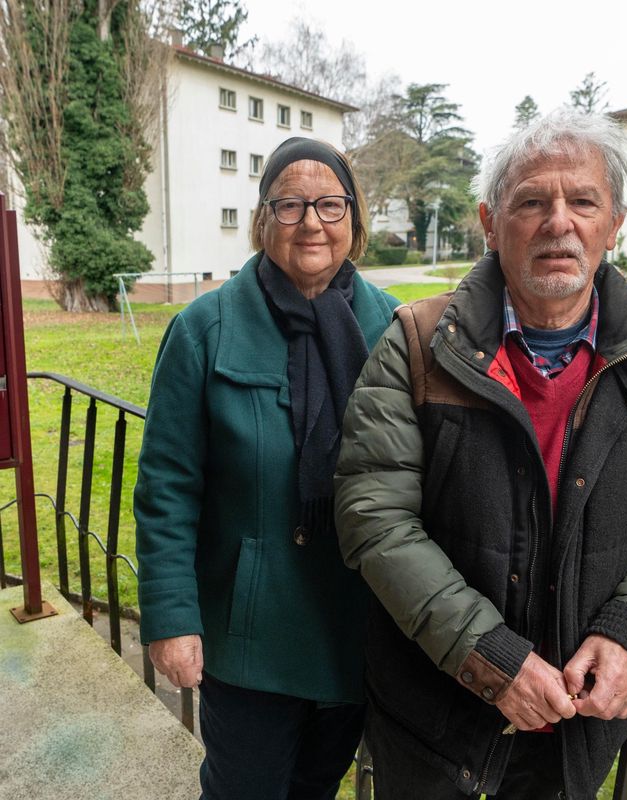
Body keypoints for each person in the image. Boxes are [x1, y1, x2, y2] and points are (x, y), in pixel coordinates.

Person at [334, 109, 627, 800]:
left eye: (582, 201)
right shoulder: (419, 342)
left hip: (576, 730)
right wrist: (488, 656)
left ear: (615, 222)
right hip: (432, 718)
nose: (558, 222)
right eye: (531, 202)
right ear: (489, 221)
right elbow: (374, 516)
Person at [134, 137, 399, 800]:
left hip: (353, 627)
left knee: (316, 788)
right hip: (249, 634)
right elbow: (167, 487)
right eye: (290, 205)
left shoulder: (396, 328)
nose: (311, 222)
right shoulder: (205, 329)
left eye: (330, 205)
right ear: (262, 221)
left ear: (353, 221)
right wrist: (171, 618)